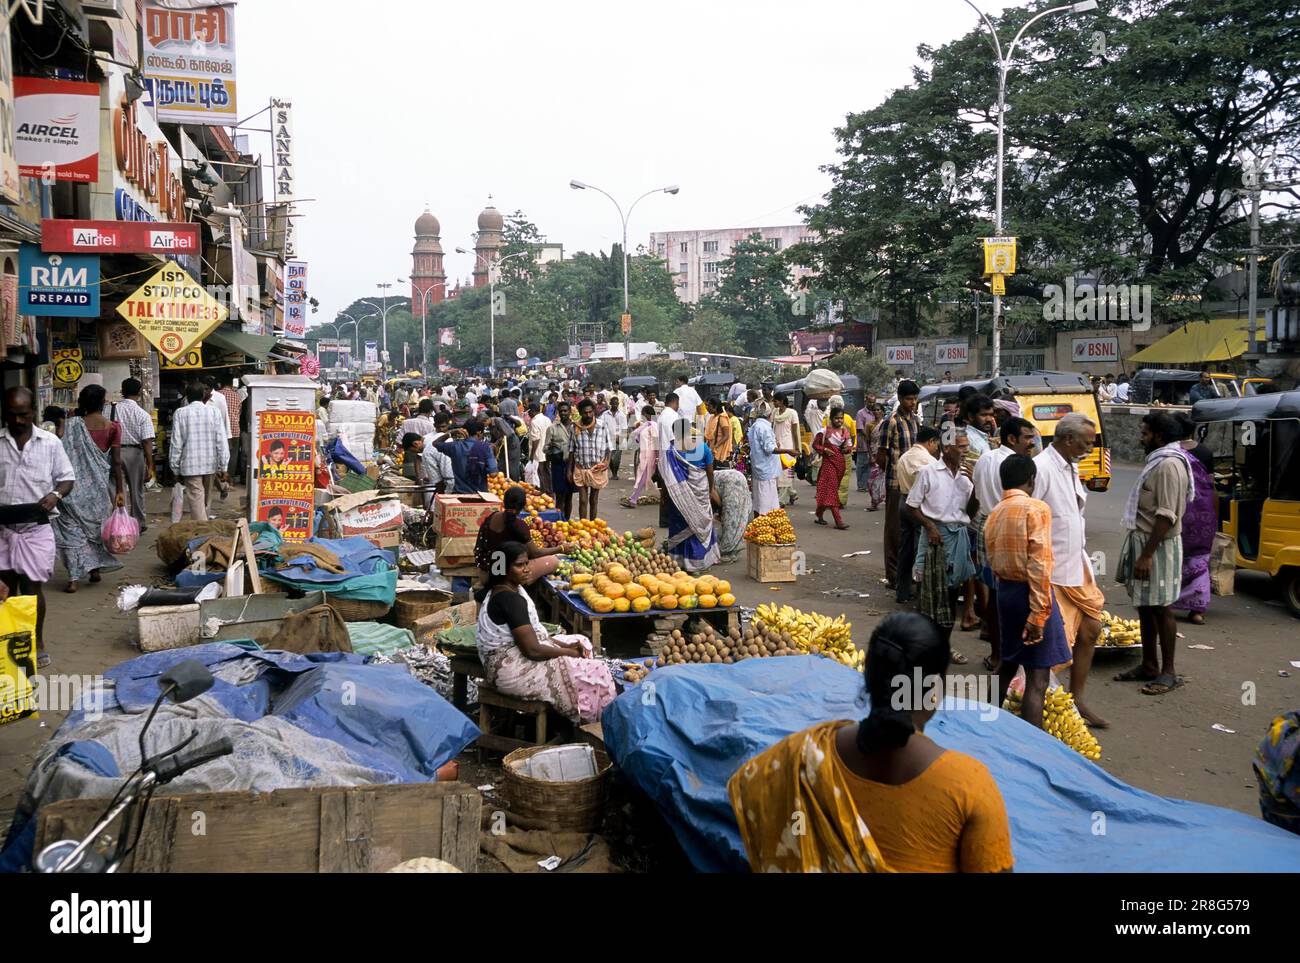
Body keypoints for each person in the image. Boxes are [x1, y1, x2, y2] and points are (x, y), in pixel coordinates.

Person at [728, 611, 1013, 873]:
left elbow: (750, 789)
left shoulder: (803, 755)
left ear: (867, 677)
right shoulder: (969, 785)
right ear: (935, 688)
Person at [474, 541, 616, 724]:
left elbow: (533, 636)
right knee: (597, 669)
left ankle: (575, 710)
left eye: (526, 563)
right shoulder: (510, 600)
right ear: (504, 569)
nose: (526, 569)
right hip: (510, 673)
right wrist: (569, 652)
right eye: (519, 565)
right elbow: (532, 650)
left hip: (503, 662)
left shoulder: (502, 589)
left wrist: (565, 646)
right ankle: (590, 723)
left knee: (582, 641)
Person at [1028, 412, 1108, 727]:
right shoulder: (1042, 468)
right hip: (1052, 567)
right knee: (1051, 646)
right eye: (1087, 443)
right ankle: (1049, 709)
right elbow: (1030, 517)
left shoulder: (1070, 466)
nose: (1090, 448)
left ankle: (1077, 699)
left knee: (1091, 629)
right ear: (1068, 439)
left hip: (1077, 562)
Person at [985, 454, 1073, 729]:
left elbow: (990, 560)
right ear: (1032, 480)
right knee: (1038, 678)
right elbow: (1039, 564)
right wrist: (1039, 614)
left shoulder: (995, 512)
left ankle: (986, 727)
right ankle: (1033, 746)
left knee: (1008, 664)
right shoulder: (1036, 508)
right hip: (1030, 594)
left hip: (1005, 594)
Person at [1114, 412, 1194, 696]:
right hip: (1145, 542)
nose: (1141, 437)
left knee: (1161, 607)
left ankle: (1168, 672)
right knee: (1145, 606)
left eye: (1145, 433)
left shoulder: (1169, 465)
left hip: (1158, 546)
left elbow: (1166, 515)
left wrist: (1147, 555)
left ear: (1159, 436)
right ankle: (1149, 664)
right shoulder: (1158, 461)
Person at [0, 387, 75, 667]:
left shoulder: (50, 442)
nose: (18, 421)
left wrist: (55, 495)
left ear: (33, 412)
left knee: (32, 589)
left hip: (36, 527)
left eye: (23, 414)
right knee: (5, 589)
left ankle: (37, 641)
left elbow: (67, 479)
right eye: (11, 415)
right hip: (3, 528)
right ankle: (7, 641)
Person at [971, 417, 1038, 670]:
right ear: (1012, 439)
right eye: (1028, 438)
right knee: (1010, 593)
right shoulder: (1016, 466)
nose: (1032, 443)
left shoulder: (985, 458)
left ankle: (997, 652)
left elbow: (975, 493)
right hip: (1008, 526)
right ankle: (1008, 654)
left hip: (985, 524)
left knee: (993, 590)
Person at [906, 431, 975, 662]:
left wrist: (975, 485)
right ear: (947, 449)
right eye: (961, 446)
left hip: (958, 537)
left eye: (966, 446)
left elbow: (971, 512)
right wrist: (930, 527)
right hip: (936, 536)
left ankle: (943, 647)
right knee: (928, 594)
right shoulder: (929, 473)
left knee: (952, 593)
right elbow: (911, 506)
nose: (965, 451)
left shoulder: (966, 478)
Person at [53, 385, 127, 593]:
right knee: (95, 530)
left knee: (73, 533)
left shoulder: (69, 425)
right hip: (98, 490)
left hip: (70, 489)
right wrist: (120, 491)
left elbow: (59, 453)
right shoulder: (113, 427)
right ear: (102, 403)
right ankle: (94, 571)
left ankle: (73, 579)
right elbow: (117, 462)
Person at [1171, 412, 1216, 625]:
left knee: (1173, 556)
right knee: (1199, 559)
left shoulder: (1171, 453)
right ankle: (1197, 610)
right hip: (1202, 511)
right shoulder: (1205, 452)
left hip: (1177, 508)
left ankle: (1168, 602)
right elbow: (1211, 485)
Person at [475, 487, 574, 583]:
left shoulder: (492, 517)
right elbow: (535, 553)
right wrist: (561, 548)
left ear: (504, 502)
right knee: (553, 561)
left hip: (486, 572)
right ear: (523, 506)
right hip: (502, 577)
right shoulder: (519, 526)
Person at [879, 380, 921, 589]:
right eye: (908, 399)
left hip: (913, 483)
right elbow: (881, 454)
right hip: (895, 482)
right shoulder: (892, 422)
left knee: (911, 532)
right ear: (900, 398)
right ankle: (893, 575)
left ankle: (906, 574)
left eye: (914, 399)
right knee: (894, 531)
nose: (912, 403)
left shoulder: (915, 421)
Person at [659, 432, 719, 573]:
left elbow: (665, 476)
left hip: (679, 497)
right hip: (700, 492)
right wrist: (710, 489)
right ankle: (697, 564)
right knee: (699, 523)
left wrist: (663, 495)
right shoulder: (703, 447)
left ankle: (678, 562)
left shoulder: (671, 451)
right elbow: (710, 472)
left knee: (681, 524)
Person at [170, 383, 230, 521]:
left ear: (187, 396)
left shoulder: (180, 413)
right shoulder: (214, 412)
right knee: (206, 501)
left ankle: (202, 529)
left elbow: (176, 443)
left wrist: (175, 468)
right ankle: (204, 528)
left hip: (190, 465)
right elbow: (221, 440)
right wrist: (223, 466)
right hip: (210, 463)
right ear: (203, 395)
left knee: (197, 500)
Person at [895, 426, 941, 604]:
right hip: (919, 507)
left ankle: (902, 591)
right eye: (936, 444)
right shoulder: (928, 461)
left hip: (904, 502)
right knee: (922, 550)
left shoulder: (904, 457)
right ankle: (923, 593)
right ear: (931, 441)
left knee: (905, 550)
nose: (936, 448)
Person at [113, 378, 156, 534]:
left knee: (117, 488)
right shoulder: (142, 414)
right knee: (136, 489)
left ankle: (119, 521)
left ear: (122, 391)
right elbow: (146, 441)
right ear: (139, 393)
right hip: (135, 453)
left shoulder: (112, 409)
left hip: (115, 451)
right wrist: (150, 465)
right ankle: (138, 522)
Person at [812, 403, 853, 529]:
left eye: (841, 418)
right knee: (832, 492)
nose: (839, 420)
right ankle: (838, 521)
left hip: (840, 464)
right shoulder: (824, 431)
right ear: (831, 418)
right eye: (836, 418)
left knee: (827, 492)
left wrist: (847, 449)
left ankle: (819, 514)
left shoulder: (845, 432)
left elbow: (849, 447)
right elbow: (815, 445)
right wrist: (825, 450)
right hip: (828, 464)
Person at [569, 398, 611, 521]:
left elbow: (608, 446)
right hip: (580, 468)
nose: (588, 415)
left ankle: (593, 525)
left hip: (597, 468)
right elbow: (571, 449)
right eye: (585, 412)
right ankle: (583, 526)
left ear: (593, 411)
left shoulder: (602, 425)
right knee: (583, 500)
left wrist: (607, 462)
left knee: (593, 499)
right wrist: (569, 470)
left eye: (590, 412)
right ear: (580, 413)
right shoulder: (575, 427)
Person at [748, 407, 793, 516]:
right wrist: (788, 451)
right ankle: (764, 523)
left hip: (760, 467)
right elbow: (770, 449)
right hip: (766, 469)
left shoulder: (755, 426)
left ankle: (759, 522)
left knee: (759, 500)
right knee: (765, 501)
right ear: (770, 415)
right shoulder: (764, 427)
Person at [434, 418, 497, 494]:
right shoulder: (486, 448)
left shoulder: (455, 446)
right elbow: (493, 474)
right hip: (480, 496)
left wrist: (451, 433)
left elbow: (436, 443)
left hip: (459, 494)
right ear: (479, 432)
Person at [711, 466, 752, 563]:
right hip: (738, 478)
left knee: (731, 521)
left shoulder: (704, 480)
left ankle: (725, 552)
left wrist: (720, 507)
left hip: (731, 484)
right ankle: (732, 551)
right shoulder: (709, 475)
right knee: (739, 517)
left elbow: (712, 493)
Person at [769, 393, 802, 506]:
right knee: (780, 472)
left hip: (789, 445)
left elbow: (794, 431)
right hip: (777, 446)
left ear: (782, 401)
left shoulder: (792, 413)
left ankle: (781, 500)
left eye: (776, 401)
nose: (774, 403)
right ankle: (792, 493)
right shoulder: (774, 412)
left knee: (786, 471)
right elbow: (772, 427)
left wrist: (797, 447)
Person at [545, 401, 576, 518]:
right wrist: (553, 450)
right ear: (558, 412)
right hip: (558, 465)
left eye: (565, 411)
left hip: (572, 465)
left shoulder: (576, 427)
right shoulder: (552, 429)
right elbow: (545, 448)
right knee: (559, 496)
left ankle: (567, 521)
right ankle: (559, 521)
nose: (563, 413)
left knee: (569, 496)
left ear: (570, 412)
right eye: (561, 411)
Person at [218, 377, 243, 479]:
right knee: (233, 454)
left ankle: (219, 476)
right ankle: (230, 478)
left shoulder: (217, 395)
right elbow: (239, 412)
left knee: (220, 452)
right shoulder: (236, 396)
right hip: (234, 429)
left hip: (221, 429)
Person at [526, 401, 552, 494]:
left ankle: (543, 491)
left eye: (529, 412)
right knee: (547, 471)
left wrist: (532, 455)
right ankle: (549, 491)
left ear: (533, 411)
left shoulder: (534, 422)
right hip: (547, 450)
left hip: (538, 451)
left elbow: (536, 440)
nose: (528, 414)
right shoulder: (547, 419)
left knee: (539, 472)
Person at [599, 395, 627, 480]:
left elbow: (624, 428)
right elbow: (601, 425)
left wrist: (620, 437)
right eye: (613, 403)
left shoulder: (621, 415)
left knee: (617, 458)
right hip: (608, 439)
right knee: (610, 458)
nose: (615, 405)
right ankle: (613, 473)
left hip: (619, 439)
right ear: (610, 404)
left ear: (618, 404)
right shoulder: (605, 414)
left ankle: (615, 473)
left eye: (616, 403)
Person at [855, 399, 878, 492]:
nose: (871, 404)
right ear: (866, 402)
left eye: (873, 402)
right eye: (870, 402)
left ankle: (867, 485)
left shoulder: (875, 412)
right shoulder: (860, 413)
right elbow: (860, 429)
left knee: (870, 466)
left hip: (873, 445)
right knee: (861, 465)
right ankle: (861, 485)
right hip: (863, 444)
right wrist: (870, 436)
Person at [705, 397, 734, 468]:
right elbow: (710, 436)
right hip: (713, 449)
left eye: (709, 406)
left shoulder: (722, 418)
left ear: (715, 407)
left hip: (719, 449)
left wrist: (716, 446)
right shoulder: (712, 417)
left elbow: (726, 436)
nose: (707, 408)